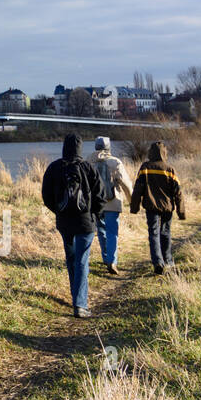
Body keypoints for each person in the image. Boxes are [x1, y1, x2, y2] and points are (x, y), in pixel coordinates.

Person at [41, 134, 110, 318]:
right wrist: (93, 213)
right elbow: (101, 196)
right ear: (80, 148)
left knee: (71, 258)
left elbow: (46, 196)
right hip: (85, 222)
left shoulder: (54, 167)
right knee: (82, 261)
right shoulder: (88, 167)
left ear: (64, 147)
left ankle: (76, 297)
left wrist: (58, 211)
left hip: (64, 223)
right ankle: (80, 304)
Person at [130, 141, 186, 274]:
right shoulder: (169, 169)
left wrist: (134, 207)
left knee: (153, 234)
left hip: (151, 207)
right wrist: (181, 211)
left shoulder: (145, 168)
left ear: (151, 152)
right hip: (167, 207)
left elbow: (138, 189)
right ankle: (168, 261)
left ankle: (157, 262)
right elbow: (178, 192)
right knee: (165, 233)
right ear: (164, 153)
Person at [88, 136, 133, 275]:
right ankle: (112, 261)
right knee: (112, 232)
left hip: (96, 203)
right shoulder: (115, 162)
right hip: (112, 202)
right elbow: (126, 183)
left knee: (101, 230)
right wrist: (132, 201)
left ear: (96, 147)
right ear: (109, 147)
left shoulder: (89, 162)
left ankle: (106, 257)